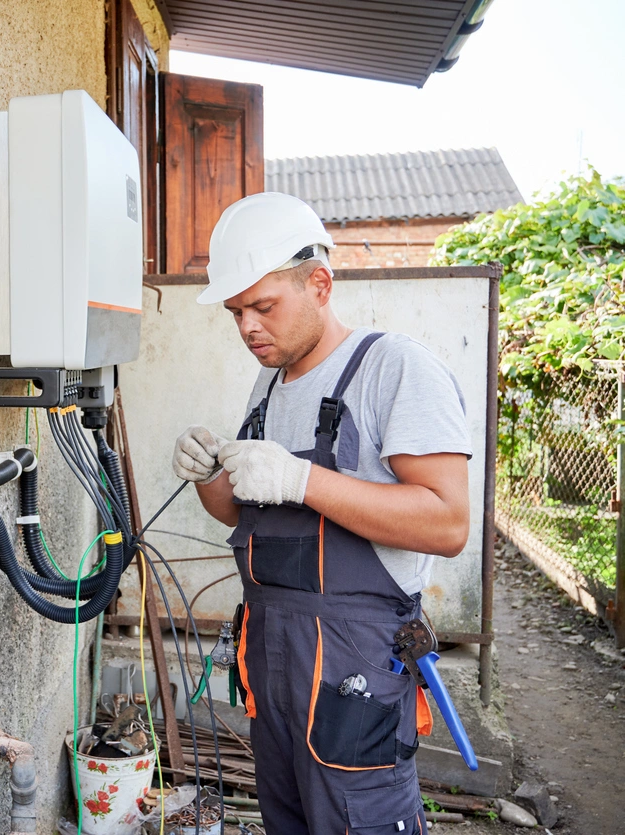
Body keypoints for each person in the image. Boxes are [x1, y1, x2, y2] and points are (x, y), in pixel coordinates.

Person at [172, 192, 472, 834]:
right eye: (236, 312)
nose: (249, 327)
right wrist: (209, 476)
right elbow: (247, 519)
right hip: (275, 665)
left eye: (263, 306)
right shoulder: (268, 384)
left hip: (352, 670)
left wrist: (304, 478)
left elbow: (447, 523)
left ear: (319, 282)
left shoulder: (392, 369)